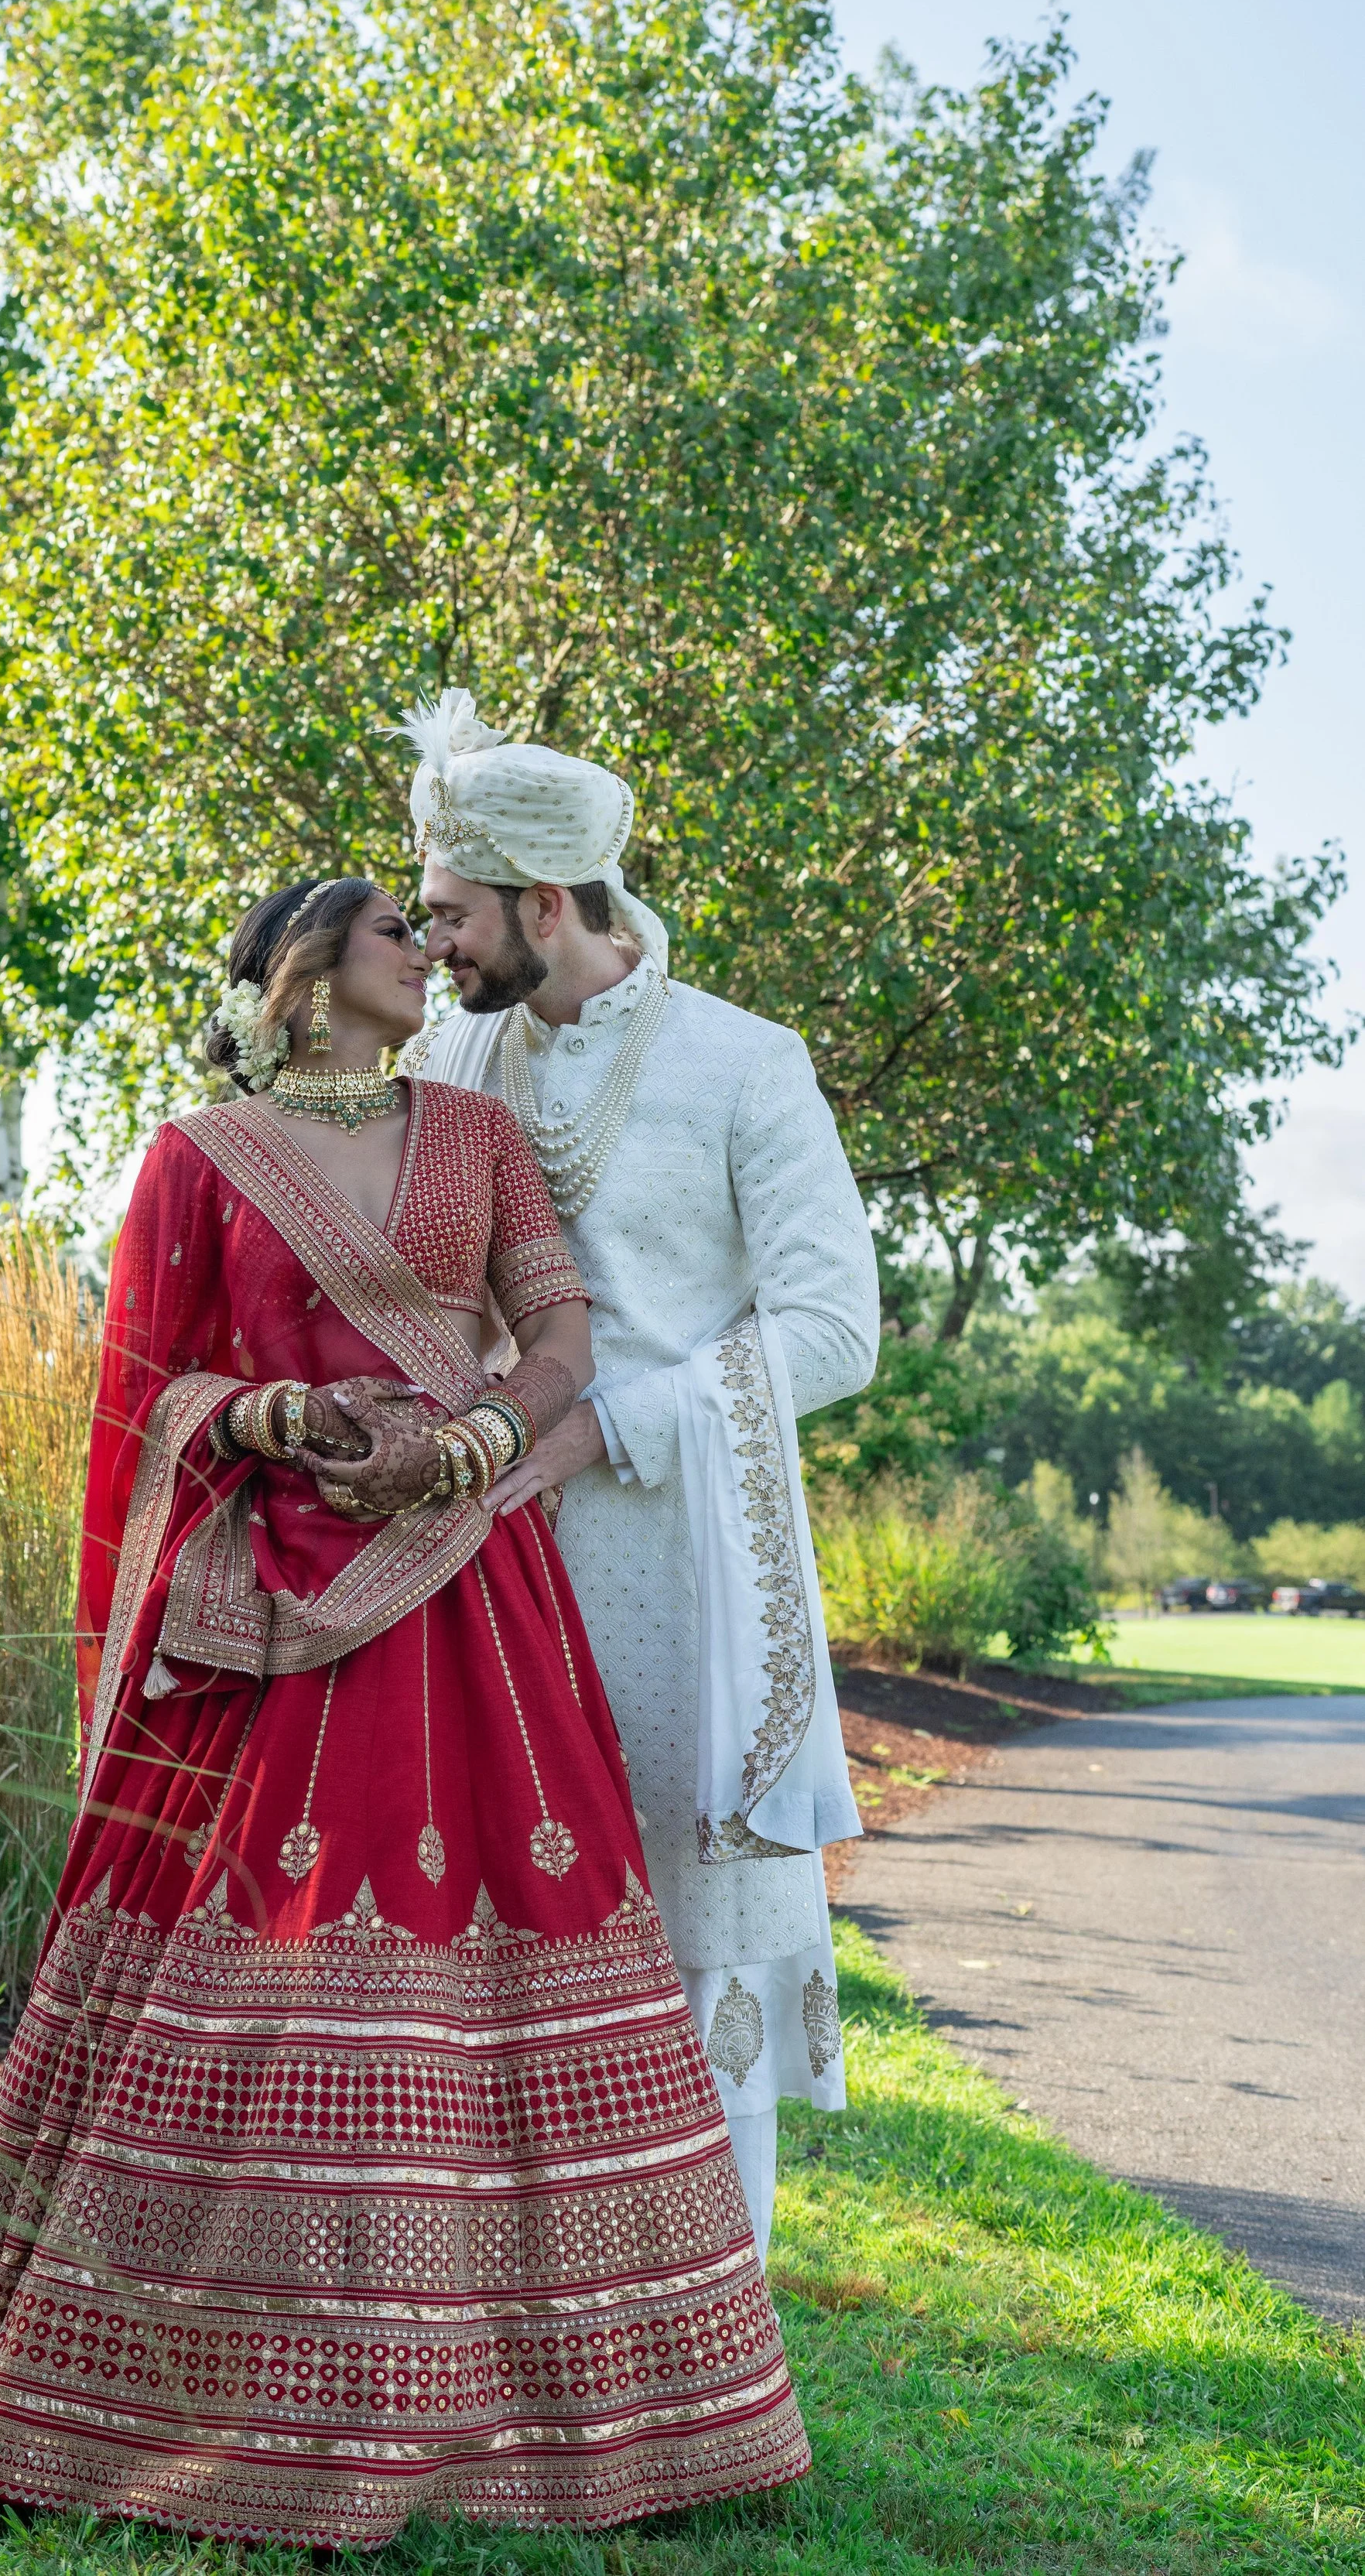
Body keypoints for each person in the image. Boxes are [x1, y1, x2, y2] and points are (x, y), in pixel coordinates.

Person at [0, 875, 811, 2547]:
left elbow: (558, 1332)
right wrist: (257, 1414)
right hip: (270, 1606)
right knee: (246, 1963)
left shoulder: (470, 1137)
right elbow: (134, 1384)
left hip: (466, 1582)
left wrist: (469, 1444)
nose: (433, 953)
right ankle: (187, 2420)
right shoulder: (196, 1158)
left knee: (529, 1940)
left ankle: (599, 2432)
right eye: (400, 933)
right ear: (309, 974)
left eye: (433, 925)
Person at [404, 693, 881, 2261]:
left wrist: (605, 1428)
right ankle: (513, 2325)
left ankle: (714, 2339)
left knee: (698, 1940)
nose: (434, 943)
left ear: (548, 904)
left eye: (456, 915)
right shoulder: (451, 1054)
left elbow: (829, 1331)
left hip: (683, 1562)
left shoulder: (744, 1065)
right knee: (478, 1920)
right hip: (478, 1548)